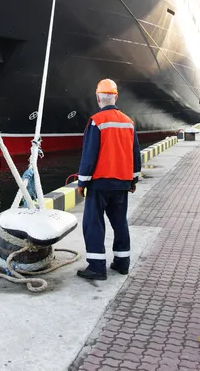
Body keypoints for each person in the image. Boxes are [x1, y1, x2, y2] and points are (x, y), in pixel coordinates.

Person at [76, 79, 141, 280]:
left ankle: (97, 267)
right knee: (120, 223)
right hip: (122, 183)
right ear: (116, 97)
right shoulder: (128, 122)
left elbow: (89, 155)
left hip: (100, 184)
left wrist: (82, 182)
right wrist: (133, 181)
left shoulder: (97, 121)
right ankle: (122, 264)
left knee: (93, 224)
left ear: (98, 97)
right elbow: (135, 155)